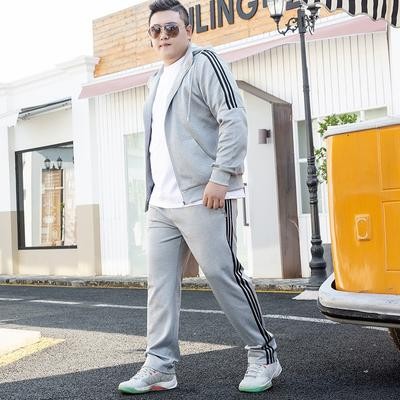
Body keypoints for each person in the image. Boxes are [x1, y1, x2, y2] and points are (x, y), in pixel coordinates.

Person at [118, 0, 281, 394]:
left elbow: (234, 118)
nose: (163, 36)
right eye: (156, 30)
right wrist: (151, 193)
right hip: (162, 203)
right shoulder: (155, 79)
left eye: (171, 28)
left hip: (203, 196)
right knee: (160, 287)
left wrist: (221, 177)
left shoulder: (205, 62)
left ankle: (264, 354)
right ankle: (160, 366)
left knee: (224, 277)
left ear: (188, 30)